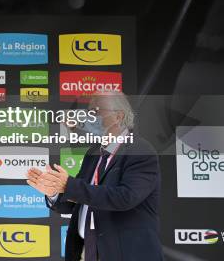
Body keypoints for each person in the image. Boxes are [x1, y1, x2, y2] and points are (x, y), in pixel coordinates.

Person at [27, 91, 163, 261]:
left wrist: (68, 186)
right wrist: (53, 191)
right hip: (86, 252)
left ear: (118, 117)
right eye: (89, 112)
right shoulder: (93, 153)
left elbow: (124, 197)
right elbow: (74, 203)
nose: (90, 117)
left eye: (96, 111)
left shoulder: (140, 150)